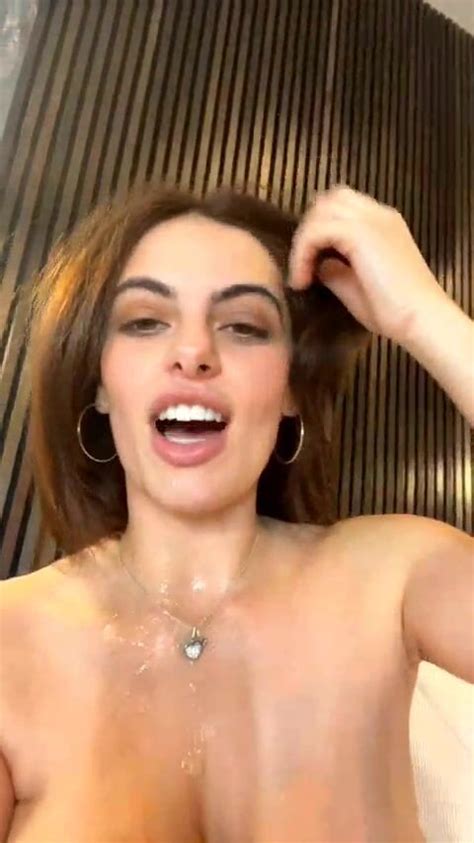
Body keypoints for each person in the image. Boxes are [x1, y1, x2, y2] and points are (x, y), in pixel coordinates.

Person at [0, 182, 472, 842]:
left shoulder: (392, 578)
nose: (193, 352)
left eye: (244, 327)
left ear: (291, 390)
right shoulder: (10, 641)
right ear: (100, 384)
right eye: (145, 321)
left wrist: (426, 316)